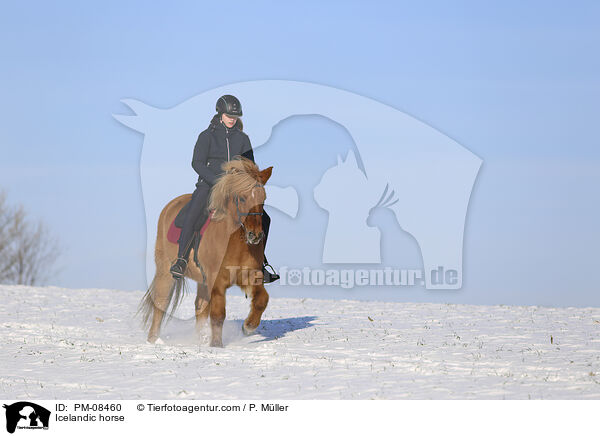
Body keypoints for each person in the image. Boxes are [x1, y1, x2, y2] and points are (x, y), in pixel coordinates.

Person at [170, 95, 279, 283]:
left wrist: (248, 181)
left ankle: (260, 263)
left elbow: (250, 165)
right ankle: (181, 260)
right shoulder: (207, 136)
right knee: (193, 213)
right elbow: (197, 163)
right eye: (229, 115)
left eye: (235, 116)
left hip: (236, 189)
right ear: (220, 113)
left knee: (264, 218)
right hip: (209, 185)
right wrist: (215, 180)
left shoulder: (243, 139)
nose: (232, 118)